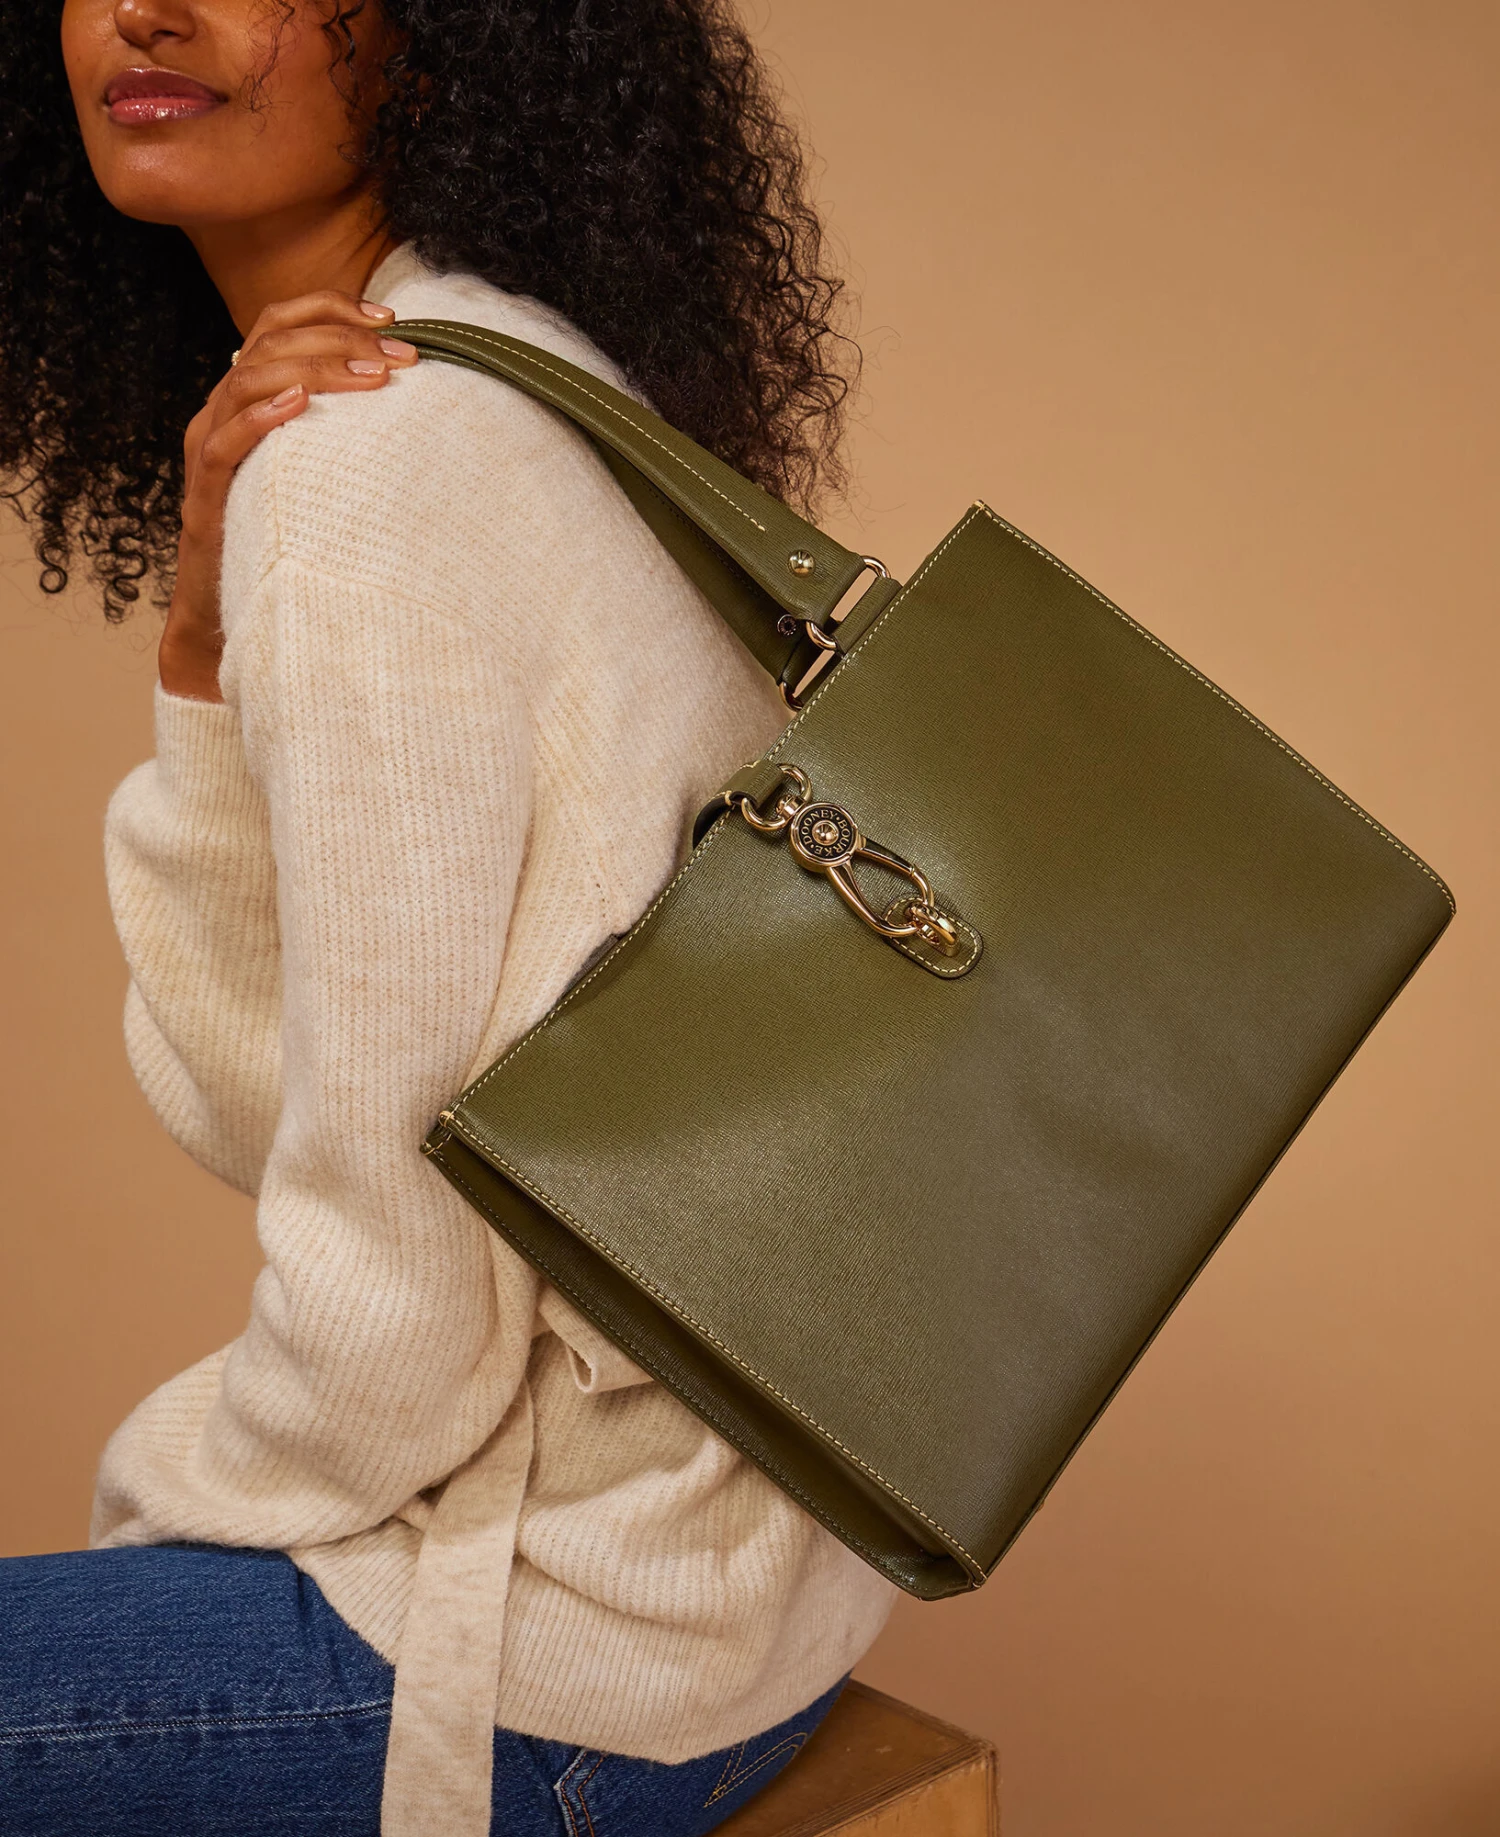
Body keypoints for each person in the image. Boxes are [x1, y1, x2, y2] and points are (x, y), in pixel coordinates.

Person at [0, 0, 897, 1830]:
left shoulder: (370, 464)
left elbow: (402, 1314)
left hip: (556, 1642)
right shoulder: (492, 369)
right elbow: (262, 1099)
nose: (149, 7)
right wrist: (200, 643)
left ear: (450, 37)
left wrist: (164, 1501)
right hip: (728, 1590)